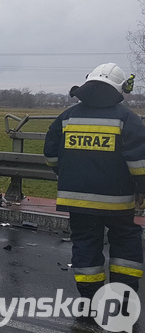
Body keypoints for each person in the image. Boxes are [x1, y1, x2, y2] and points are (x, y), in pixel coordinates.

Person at [44, 63, 145, 299]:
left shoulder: (67, 117)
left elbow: (50, 155)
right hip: (117, 201)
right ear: (120, 88)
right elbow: (139, 163)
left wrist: (67, 173)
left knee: (85, 244)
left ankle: (90, 296)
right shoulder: (127, 119)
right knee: (125, 242)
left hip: (76, 200)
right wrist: (142, 189)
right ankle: (123, 295)